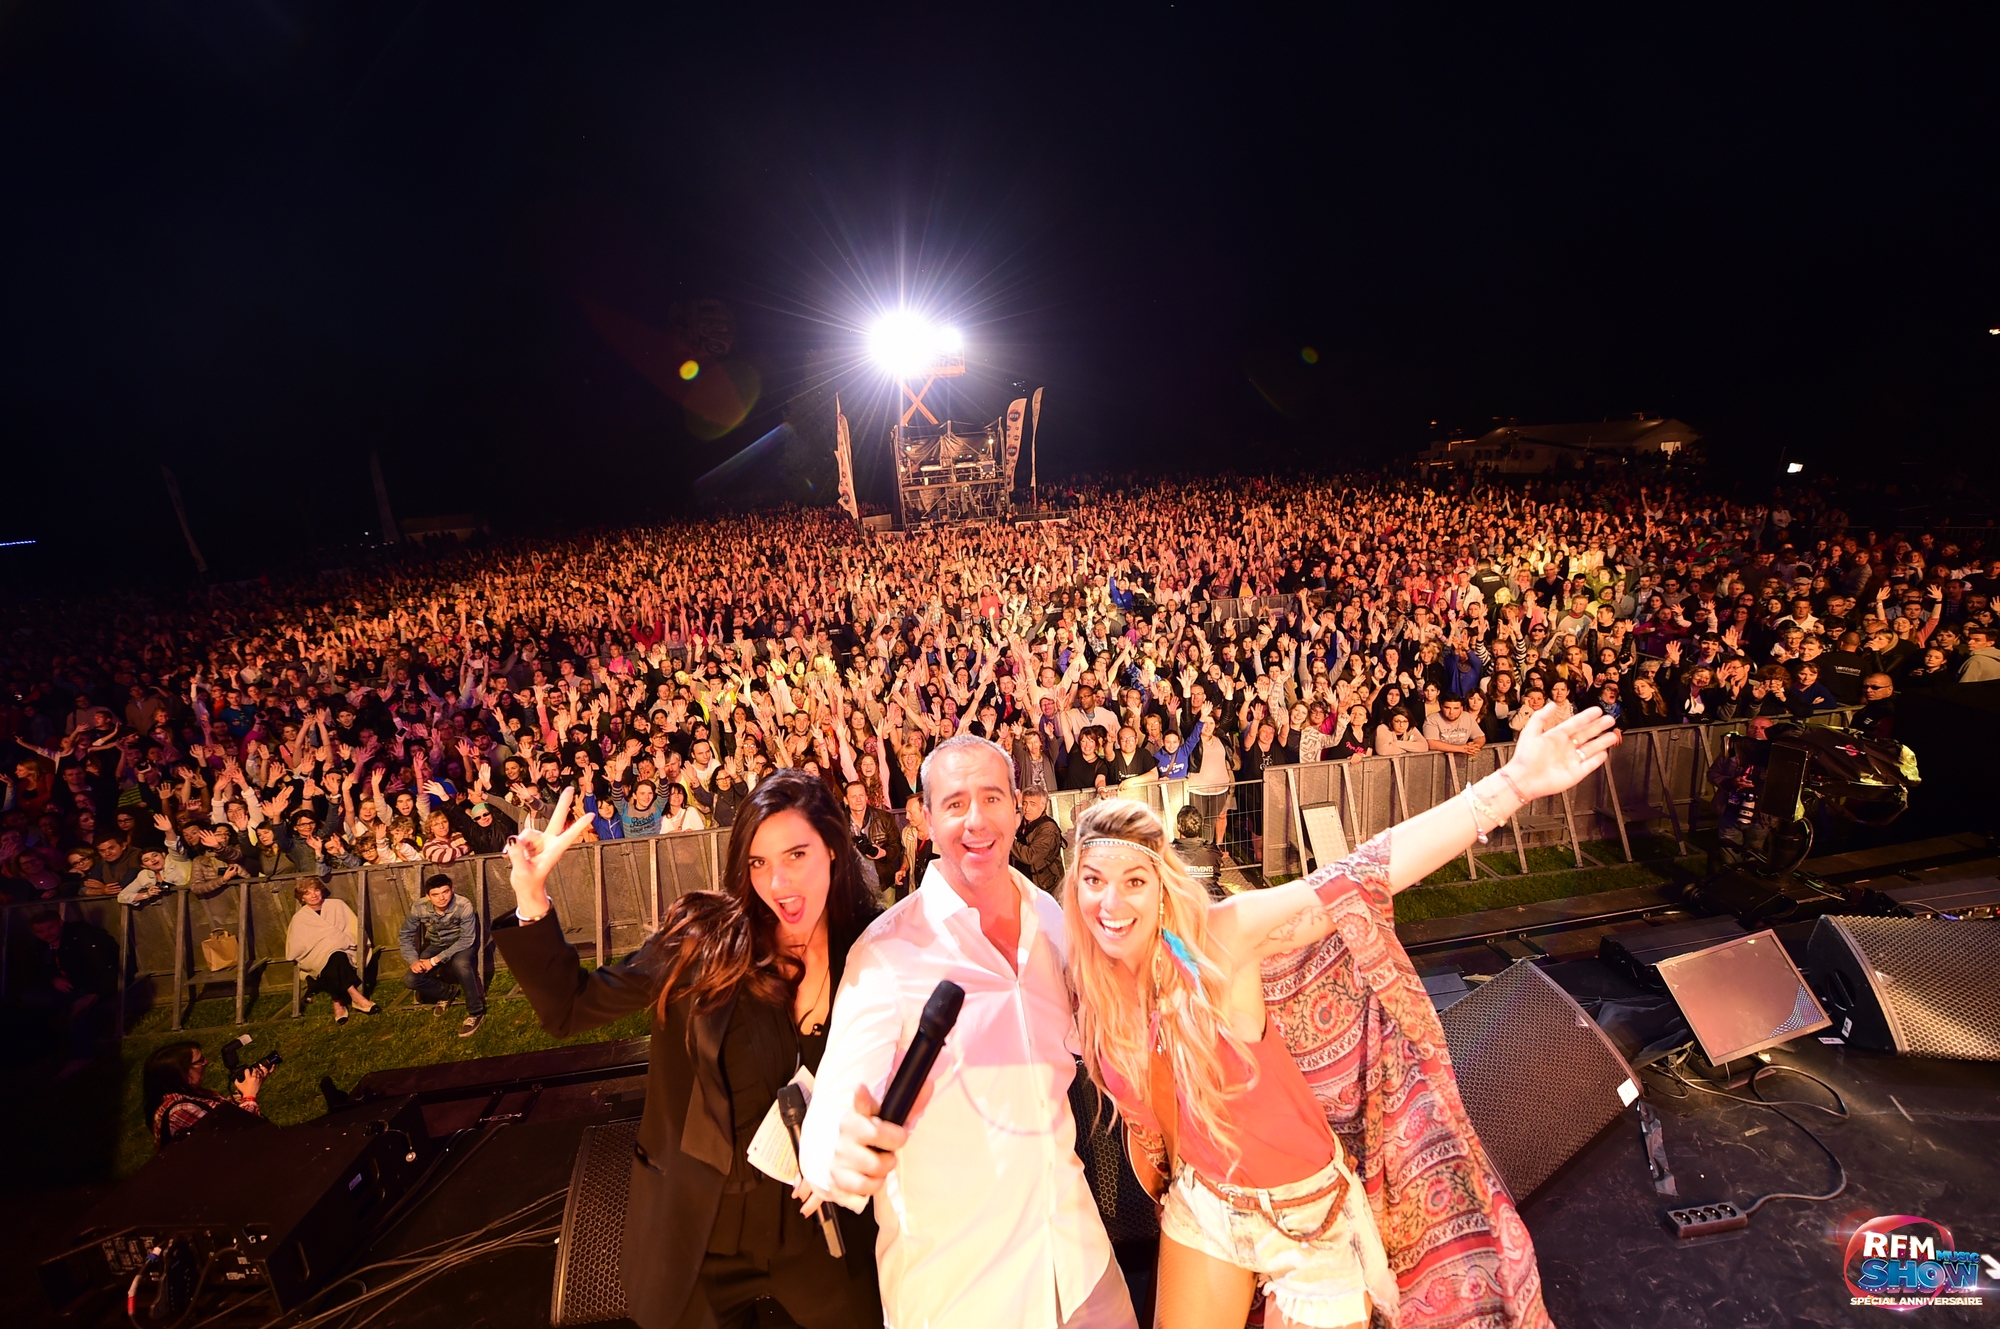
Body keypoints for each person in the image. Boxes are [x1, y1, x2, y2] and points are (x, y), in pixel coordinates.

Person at [1062, 702, 1615, 1329]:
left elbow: (1362, 873)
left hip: (1308, 1216)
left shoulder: (1219, 940)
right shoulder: (1088, 982)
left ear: (1163, 885)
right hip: (1205, 1202)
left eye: (1134, 881)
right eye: (1093, 880)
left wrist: (1513, 782)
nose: (1110, 903)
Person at [494, 776, 883, 1329]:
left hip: (818, 1217)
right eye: (758, 862)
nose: (778, 882)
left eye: (797, 854)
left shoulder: (874, 949)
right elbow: (570, 1008)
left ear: (834, 849)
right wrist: (531, 897)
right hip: (706, 1223)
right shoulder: (706, 940)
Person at [800, 734, 1140, 1329]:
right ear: (926, 820)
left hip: (1079, 1262)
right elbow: (834, 1111)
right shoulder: (886, 954)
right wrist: (838, 1149)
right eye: (955, 803)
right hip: (961, 1293)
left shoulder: (1053, 920)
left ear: (1017, 808)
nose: (976, 819)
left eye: (992, 797)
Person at [17, 908, 118, 1077]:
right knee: (30, 997)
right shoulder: (39, 947)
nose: (47, 934)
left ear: (60, 923)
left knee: (80, 1005)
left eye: (50, 928)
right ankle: (43, 1051)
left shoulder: (81, 936)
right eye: (40, 931)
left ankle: (82, 1056)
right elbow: (36, 973)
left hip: (94, 985)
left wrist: (95, 992)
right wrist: (53, 979)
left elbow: (103, 966)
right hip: (68, 990)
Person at [398, 874, 486, 1037]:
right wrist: (413, 960)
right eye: (435, 894)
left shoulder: (463, 904)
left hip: (462, 943)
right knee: (411, 979)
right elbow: (405, 935)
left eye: (445, 892)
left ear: (452, 890)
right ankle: (447, 993)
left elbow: (467, 939)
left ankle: (476, 1012)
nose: (441, 898)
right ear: (428, 896)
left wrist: (434, 961)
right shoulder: (419, 907)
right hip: (437, 944)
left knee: (460, 965)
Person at [143, 1040, 271, 1149]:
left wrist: (247, 1088)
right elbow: (234, 1134)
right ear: (181, 1072)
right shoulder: (180, 1110)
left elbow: (223, 1117)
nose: (206, 1062)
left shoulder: (192, 1094)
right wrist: (249, 1096)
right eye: (200, 1061)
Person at [286, 880, 377, 1024]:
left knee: (336, 955)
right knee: (329, 958)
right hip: (315, 955)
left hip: (344, 948)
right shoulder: (299, 918)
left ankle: (338, 1002)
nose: (313, 895)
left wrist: (335, 941)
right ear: (302, 898)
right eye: (307, 893)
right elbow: (297, 945)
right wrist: (325, 944)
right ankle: (356, 997)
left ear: (321, 891)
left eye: (316, 890)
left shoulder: (337, 905)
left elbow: (353, 929)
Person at [1011, 787, 1064, 895]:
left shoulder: (1048, 829)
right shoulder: (1026, 822)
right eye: (1025, 803)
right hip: (1028, 883)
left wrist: (1007, 840)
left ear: (1042, 806)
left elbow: (1030, 856)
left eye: (1033, 804)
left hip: (1046, 886)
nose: (1027, 808)